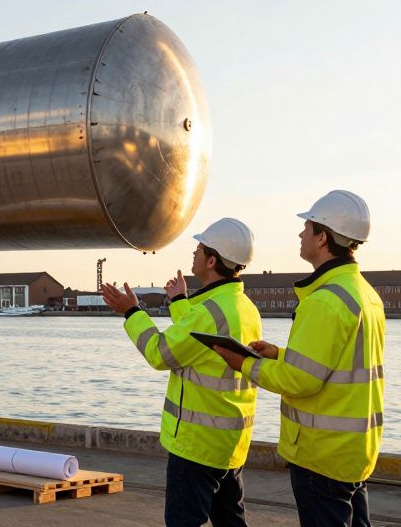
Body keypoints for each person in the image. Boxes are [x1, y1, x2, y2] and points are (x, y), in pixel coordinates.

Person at [212, 190, 385, 527]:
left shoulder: (323, 301)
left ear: (322, 237)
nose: (300, 234)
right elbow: (338, 363)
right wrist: (280, 353)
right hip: (354, 449)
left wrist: (244, 363)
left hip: (321, 454)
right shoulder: (364, 293)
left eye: (307, 227)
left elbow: (299, 379)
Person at [101, 217, 261, 527]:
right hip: (230, 441)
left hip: (196, 445)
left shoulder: (208, 313)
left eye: (199, 248)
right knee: (231, 520)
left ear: (212, 260)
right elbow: (200, 343)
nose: (194, 253)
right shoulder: (243, 307)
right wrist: (179, 302)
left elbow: (161, 353)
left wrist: (131, 312)